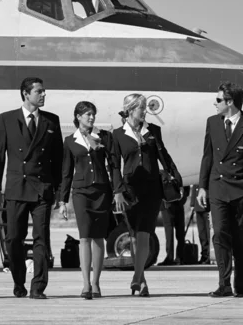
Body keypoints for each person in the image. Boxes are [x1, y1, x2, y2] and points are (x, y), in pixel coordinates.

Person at [0, 77, 63, 299]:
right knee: (13, 238)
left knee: (42, 238)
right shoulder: (7, 119)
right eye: (39, 91)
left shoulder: (51, 121)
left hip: (41, 187)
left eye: (44, 91)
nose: (43, 95)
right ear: (25, 93)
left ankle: (38, 286)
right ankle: (18, 279)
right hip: (16, 187)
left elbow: (57, 158)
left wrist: (58, 190)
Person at [197, 81, 243, 298]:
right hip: (217, 187)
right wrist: (202, 187)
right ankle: (224, 283)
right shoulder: (212, 122)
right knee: (219, 234)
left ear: (230, 102)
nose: (215, 103)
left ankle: (240, 283)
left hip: (241, 189)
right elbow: (207, 156)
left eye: (218, 100)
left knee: (242, 239)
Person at [111, 94, 182, 297]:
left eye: (144, 107)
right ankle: (141, 281)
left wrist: (176, 179)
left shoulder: (153, 131)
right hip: (130, 191)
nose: (144, 111)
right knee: (134, 237)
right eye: (141, 107)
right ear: (131, 109)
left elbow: (164, 157)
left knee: (144, 234)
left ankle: (136, 277)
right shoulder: (117, 134)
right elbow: (115, 165)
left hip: (152, 190)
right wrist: (117, 191)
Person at [59, 101, 113, 299]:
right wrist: (62, 200)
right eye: (88, 114)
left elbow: (113, 162)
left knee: (98, 237)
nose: (91, 117)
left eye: (93, 114)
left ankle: (97, 283)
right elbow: (66, 172)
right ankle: (85, 284)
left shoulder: (103, 137)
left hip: (101, 190)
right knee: (84, 236)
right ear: (78, 116)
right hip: (81, 192)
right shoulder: (70, 141)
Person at [157, 178, 188, 266]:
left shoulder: (163, 173)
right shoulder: (180, 173)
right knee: (180, 232)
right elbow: (186, 189)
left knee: (170, 232)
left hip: (167, 204)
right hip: (178, 204)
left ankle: (170, 257)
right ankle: (180, 257)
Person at [190, 185, 211, 265]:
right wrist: (192, 204)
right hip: (198, 207)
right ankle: (204, 255)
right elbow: (194, 188)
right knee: (202, 234)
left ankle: (209, 255)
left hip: (207, 206)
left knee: (208, 234)